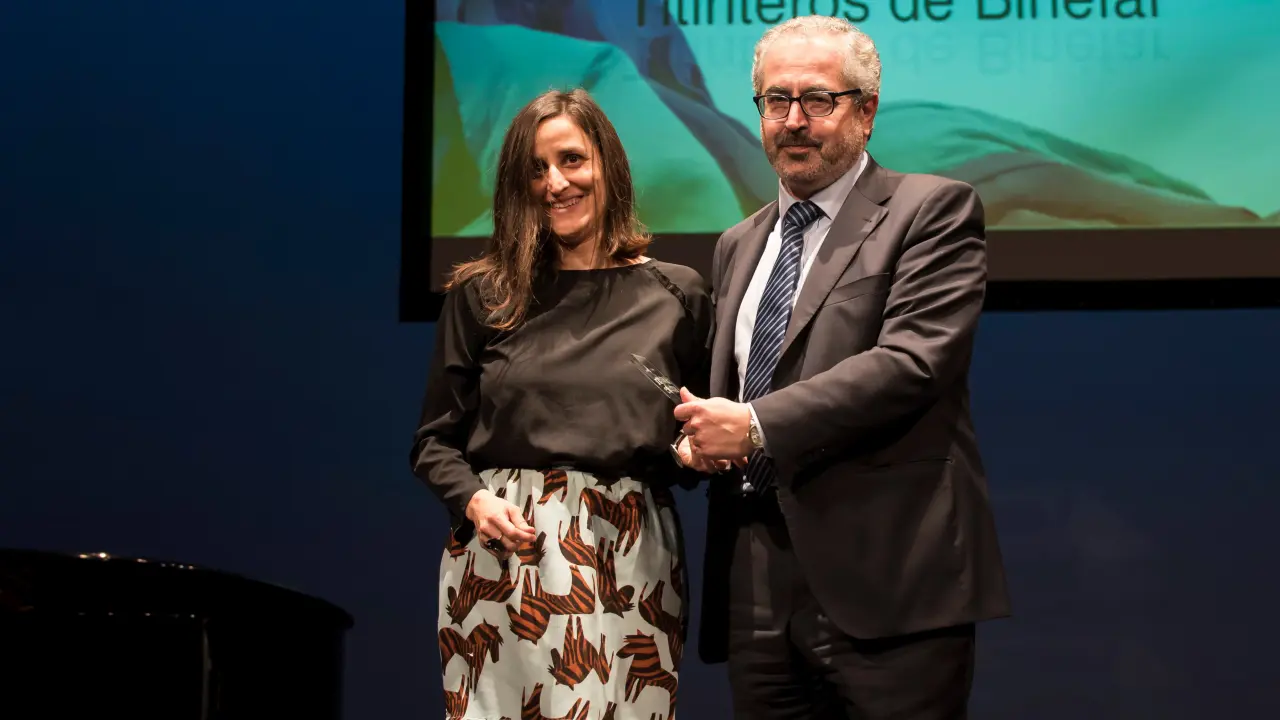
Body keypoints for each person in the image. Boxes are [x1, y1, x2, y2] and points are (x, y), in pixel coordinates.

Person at [672, 16, 1012, 720]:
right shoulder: (738, 243)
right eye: (776, 100)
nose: (793, 120)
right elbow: (732, 388)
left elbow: (913, 362)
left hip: (889, 576)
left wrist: (754, 425)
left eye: (817, 100)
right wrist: (698, 438)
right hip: (756, 580)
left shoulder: (930, 210)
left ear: (866, 111)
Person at [410, 88, 712, 720]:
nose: (555, 183)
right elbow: (434, 442)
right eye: (536, 169)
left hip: (629, 554)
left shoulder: (676, 293)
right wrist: (473, 500)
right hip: (506, 554)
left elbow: (696, 435)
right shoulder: (483, 294)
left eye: (572, 160)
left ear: (608, 164)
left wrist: (691, 453)